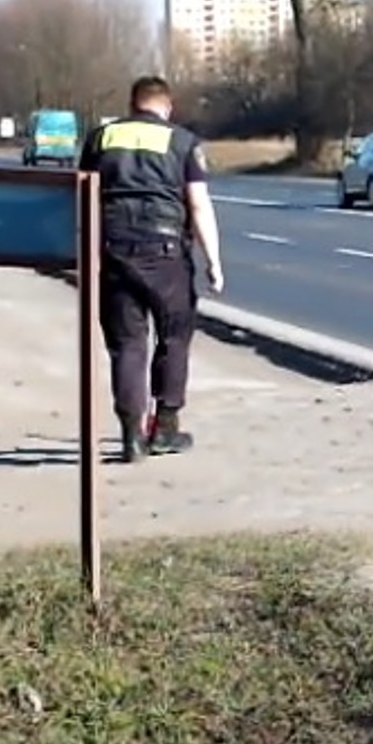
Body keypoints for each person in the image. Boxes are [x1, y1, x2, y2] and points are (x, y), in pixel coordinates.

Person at [82, 75, 226, 462]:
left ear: (132, 105)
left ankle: (131, 436)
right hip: (165, 254)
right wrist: (213, 261)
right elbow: (198, 205)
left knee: (127, 345)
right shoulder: (182, 142)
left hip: (114, 252)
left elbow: (82, 195)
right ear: (167, 106)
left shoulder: (101, 139)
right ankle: (165, 427)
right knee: (174, 337)